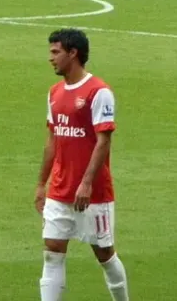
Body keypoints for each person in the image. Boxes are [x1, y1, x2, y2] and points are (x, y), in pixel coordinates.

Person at [36, 28, 129, 301]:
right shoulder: (54, 93)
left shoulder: (98, 92)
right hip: (59, 190)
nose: (51, 58)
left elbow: (103, 141)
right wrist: (41, 184)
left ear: (73, 53)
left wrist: (86, 183)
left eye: (56, 52)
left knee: (104, 254)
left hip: (93, 193)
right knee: (52, 251)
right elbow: (52, 140)